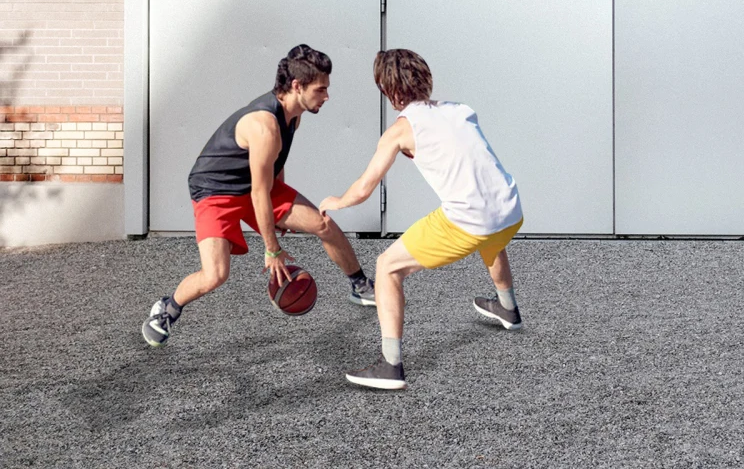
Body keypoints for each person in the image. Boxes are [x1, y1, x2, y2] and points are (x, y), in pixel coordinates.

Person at [142, 44, 376, 347]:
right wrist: (272, 248)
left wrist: (282, 208)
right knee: (216, 274)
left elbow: (273, 168)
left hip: (256, 186)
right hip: (215, 191)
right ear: (296, 86)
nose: (327, 96)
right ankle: (167, 309)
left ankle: (360, 286)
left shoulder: (294, 114)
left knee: (322, 224)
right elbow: (258, 192)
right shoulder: (264, 126)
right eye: (321, 90)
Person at [319, 48, 524, 390]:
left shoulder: (400, 131)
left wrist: (335, 202)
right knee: (490, 238)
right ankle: (509, 310)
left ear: (389, 90)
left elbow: (364, 188)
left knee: (387, 267)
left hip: (469, 222)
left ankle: (390, 366)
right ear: (425, 78)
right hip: (510, 210)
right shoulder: (461, 111)